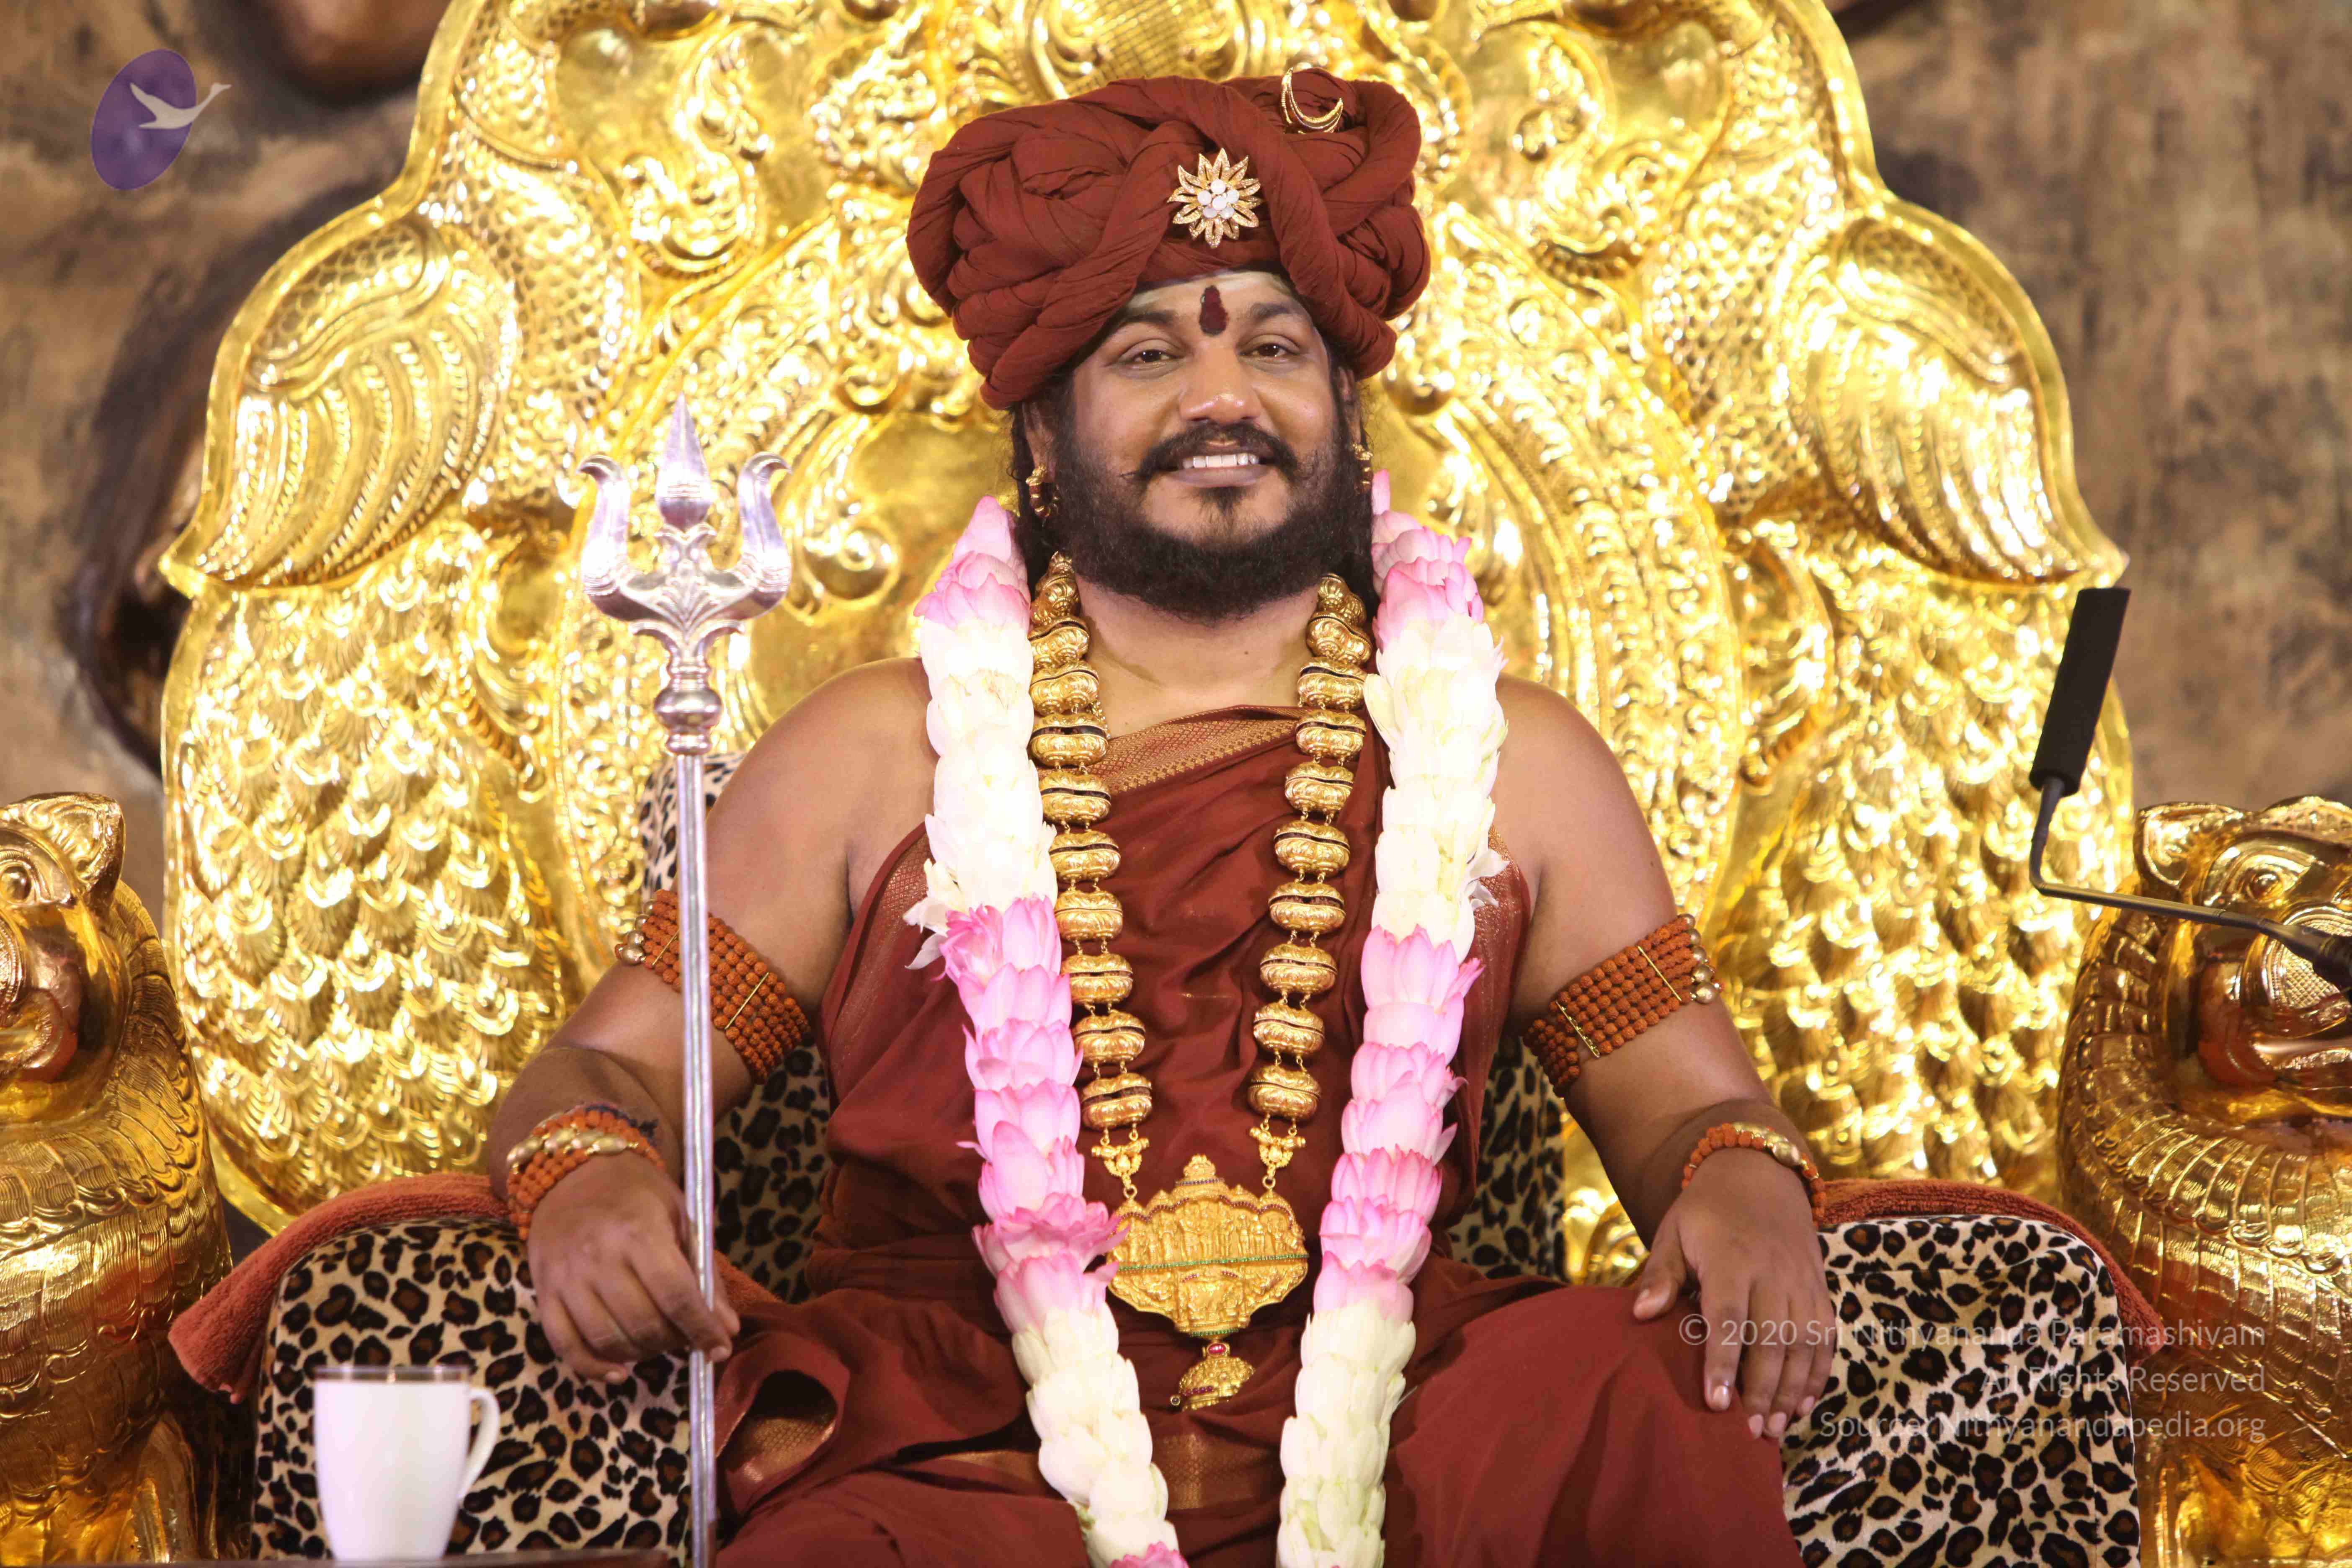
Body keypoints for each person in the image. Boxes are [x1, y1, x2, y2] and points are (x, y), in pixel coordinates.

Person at [476, 71, 2126, 1568]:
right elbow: (612, 1070)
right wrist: (589, 1175)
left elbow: (1691, 1103)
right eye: (1150, 354)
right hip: (971, 1436)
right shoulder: (871, 756)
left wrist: (1743, 1178)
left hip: (1398, 1413)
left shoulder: (1516, 761)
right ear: (1042, 433)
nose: (1225, 395)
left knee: (1626, 1391)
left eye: (1273, 347)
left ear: (1344, 410)